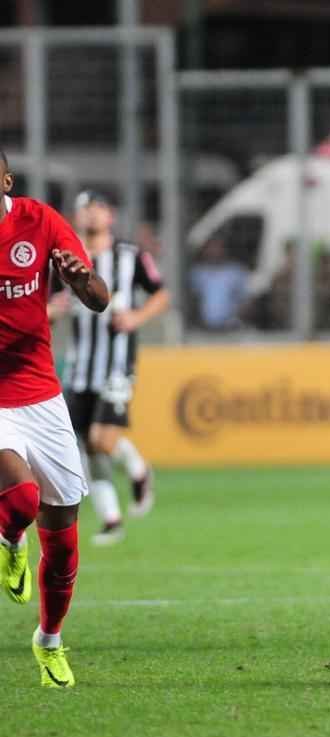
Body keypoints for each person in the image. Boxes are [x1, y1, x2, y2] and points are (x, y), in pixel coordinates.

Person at [0, 149, 111, 687]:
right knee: (19, 497)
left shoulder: (39, 221)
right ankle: (9, 540)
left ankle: (49, 640)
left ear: (5, 179)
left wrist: (76, 277)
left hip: (41, 396)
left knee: (63, 537)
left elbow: (99, 299)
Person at [56, 191, 168, 544]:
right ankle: (111, 519)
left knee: (101, 442)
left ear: (111, 216)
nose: (90, 214)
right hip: (80, 366)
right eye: (84, 208)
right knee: (83, 443)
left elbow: (161, 294)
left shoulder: (130, 256)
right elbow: (45, 302)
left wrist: (136, 317)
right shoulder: (63, 258)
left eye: (97, 207)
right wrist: (52, 310)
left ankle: (138, 469)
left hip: (117, 365)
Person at [188, 237, 248, 330]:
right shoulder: (197, 273)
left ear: (225, 249)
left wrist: (236, 318)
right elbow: (193, 299)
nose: (215, 251)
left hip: (231, 327)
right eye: (211, 248)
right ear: (205, 250)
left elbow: (245, 299)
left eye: (218, 247)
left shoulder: (236, 272)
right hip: (203, 327)